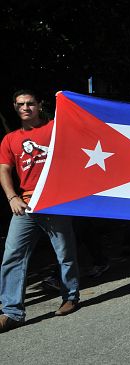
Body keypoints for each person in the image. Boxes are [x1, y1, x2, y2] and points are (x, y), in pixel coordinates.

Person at [0, 90, 81, 332]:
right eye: (20, 104)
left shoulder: (55, 128)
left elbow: (79, 136)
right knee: (12, 256)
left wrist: (65, 100)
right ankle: (11, 312)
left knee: (65, 253)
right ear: (15, 107)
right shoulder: (10, 139)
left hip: (55, 202)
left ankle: (70, 297)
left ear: (39, 105)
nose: (25, 108)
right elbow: (4, 171)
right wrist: (12, 197)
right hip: (25, 204)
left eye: (30, 103)